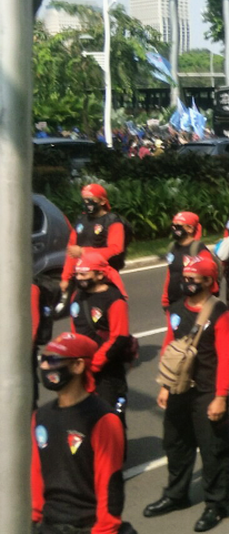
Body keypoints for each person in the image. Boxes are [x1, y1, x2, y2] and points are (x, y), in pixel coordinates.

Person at [145, 253, 229, 531]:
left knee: (213, 450)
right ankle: (176, 495)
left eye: (194, 279)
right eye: (184, 279)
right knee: (176, 445)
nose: (187, 283)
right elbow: (169, 345)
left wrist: (220, 396)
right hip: (178, 390)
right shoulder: (175, 309)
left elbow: (227, 357)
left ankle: (215, 505)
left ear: (209, 281)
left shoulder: (220, 313)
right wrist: (164, 384)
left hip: (207, 392)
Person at [32, 332, 127, 534]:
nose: (45, 366)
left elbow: (109, 485)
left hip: (87, 527)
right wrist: (35, 517)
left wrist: (104, 530)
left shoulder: (103, 420)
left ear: (78, 365)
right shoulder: (40, 416)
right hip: (49, 525)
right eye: (44, 359)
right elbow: (37, 473)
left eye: (54, 360)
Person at [68, 252, 133, 422]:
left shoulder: (114, 299)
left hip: (107, 372)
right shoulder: (77, 296)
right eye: (77, 274)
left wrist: (94, 365)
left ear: (99, 275)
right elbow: (75, 329)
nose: (79, 278)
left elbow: (119, 337)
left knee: (111, 419)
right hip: (83, 369)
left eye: (84, 274)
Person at [61, 183, 128, 295]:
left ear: (102, 201)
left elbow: (116, 249)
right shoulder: (81, 221)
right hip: (82, 277)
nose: (87, 203)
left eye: (90, 199)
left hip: (103, 279)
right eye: (84, 200)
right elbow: (71, 250)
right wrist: (65, 277)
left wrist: (83, 252)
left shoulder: (113, 221)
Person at [160, 211, 213, 311]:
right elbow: (170, 274)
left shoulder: (199, 250)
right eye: (173, 226)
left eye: (179, 226)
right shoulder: (172, 247)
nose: (175, 229)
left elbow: (209, 280)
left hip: (193, 304)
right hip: (174, 302)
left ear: (190, 228)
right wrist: (165, 299)